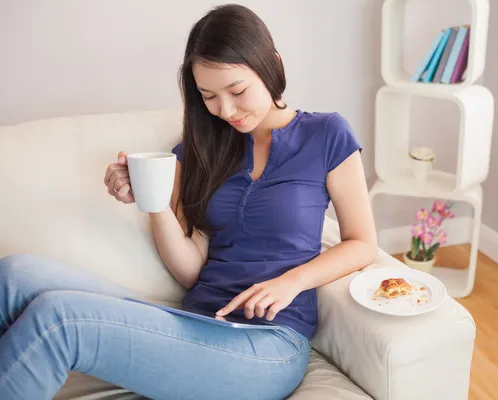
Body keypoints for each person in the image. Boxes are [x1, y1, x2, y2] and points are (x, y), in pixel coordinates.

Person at [0, 3, 377, 400]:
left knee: (59, 321)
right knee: (14, 275)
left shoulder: (327, 134)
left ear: (271, 64)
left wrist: (292, 281)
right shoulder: (198, 150)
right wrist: (153, 199)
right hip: (194, 323)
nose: (226, 110)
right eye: (209, 96)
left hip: (267, 344)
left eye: (237, 91)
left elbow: (362, 243)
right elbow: (191, 271)